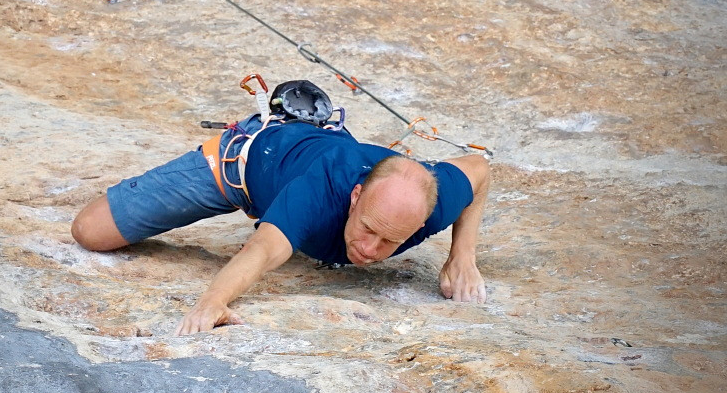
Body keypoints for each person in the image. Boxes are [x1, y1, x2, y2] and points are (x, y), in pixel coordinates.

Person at [71, 100, 490, 335]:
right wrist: (214, 301)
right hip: (245, 164)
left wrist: (462, 255)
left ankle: (314, 130)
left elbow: (480, 170)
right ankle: (283, 125)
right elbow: (263, 249)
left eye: (390, 241)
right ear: (355, 196)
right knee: (91, 231)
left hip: (320, 154)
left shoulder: (434, 202)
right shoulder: (319, 194)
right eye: (368, 229)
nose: (370, 250)